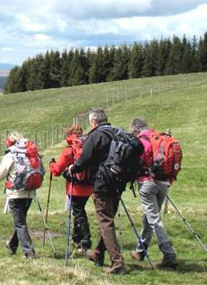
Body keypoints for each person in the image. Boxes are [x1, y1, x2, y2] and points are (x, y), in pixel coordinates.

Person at [68, 108, 128, 275]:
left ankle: (117, 262)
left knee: (105, 222)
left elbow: (83, 160)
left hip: (102, 183)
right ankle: (98, 253)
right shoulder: (119, 132)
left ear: (93, 122)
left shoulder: (95, 135)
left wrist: (73, 169)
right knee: (108, 219)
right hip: (119, 182)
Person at [129, 117, 178, 269]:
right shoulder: (159, 138)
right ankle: (140, 251)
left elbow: (136, 162)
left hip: (147, 183)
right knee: (148, 217)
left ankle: (168, 253)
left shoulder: (142, 141)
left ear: (136, 130)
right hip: (163, 183)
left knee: (154, 219)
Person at [0, 132, 37, 259]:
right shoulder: (31, 153)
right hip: (30, 192)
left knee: (20, 223)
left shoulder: (10, 155)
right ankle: (12, 245)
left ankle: (29, 251)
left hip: (15, 193)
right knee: (21, 221)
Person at [49, 124, 93, 254]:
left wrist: (51, 164)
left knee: (79, 213)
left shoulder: (69, 149)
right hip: (88, 185)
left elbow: (57, 170)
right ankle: (77, 238)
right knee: (78, 211)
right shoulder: (88, 146)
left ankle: (85, 240)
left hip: (75, 187)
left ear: (68, 135)